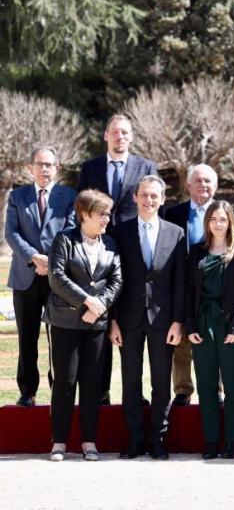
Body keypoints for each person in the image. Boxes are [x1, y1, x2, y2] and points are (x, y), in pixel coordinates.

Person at [77, 114, 157, 404]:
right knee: (101, 322)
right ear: (105, 136)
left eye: (125, 132)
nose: (120, 137)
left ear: (131, 137)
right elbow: (81, 209)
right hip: (97, 254)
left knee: (131, 325)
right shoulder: (90, 168)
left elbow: (154, 206)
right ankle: (101, 392)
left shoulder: (146, 167)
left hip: (134, 254)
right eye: (115, 132)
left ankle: (135, 393)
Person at [109, 175, 186, 460]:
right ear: (135, 198)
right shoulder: (121, 232)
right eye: (144, 195)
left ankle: (157, 439)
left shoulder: (175, 233)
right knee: (131, 381)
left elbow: (180, 280)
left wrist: (178, 320)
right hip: (128, 319)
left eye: (155, 196)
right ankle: (135, 439)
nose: (149, 200)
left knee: (161, 382)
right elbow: (113, 280)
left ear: (163, 199)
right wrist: (113, 319)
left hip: (164, 320)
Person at [44, 190, 122, 461]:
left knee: (92, 384)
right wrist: (87, 302)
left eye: (108, 213)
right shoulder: (64, 239)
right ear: (85, 214)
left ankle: (89, 441)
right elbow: (57, 276)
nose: (107, 219)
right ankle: (60, 442)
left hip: (97, 324)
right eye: (102, 214)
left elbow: (116, 279)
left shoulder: (110, 242)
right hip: (66, 322)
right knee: (65, 382)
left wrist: (99, 305)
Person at [6, 146, 76, 407]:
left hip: (58, 277)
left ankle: (59, 389)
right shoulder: (17, 196)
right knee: (27, 336)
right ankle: (27, 392)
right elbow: (11, 234)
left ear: (57, 167)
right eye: (40, 164)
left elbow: (70, 229)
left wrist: (51, 261)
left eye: (49, 164)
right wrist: (34, 257)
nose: (44, 169)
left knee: (58, 336)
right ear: (30, 167)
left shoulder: (68, 195)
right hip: (25, 276)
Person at [184, 201, 234, 460]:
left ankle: (232, 440)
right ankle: (211, 440)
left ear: (230, 222)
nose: (218, 224)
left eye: (223, 219)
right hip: (202, 325)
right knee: (206, 385)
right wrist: (190, 326)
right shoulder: (197, 252)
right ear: (207, 223)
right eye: (213, 219)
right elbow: (189, 291)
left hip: (230, 326)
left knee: (233, 386)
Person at [164, 163, 219, 407]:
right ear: (188, 185)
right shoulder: (173, 213)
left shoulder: (224, 213)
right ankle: (183, 390)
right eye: (197, 180)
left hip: (213, 286)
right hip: (182, 283)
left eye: (208, 181)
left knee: (211, 339)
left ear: (215, 186)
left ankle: (214, 389)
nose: (203, 185)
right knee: (182, 340)